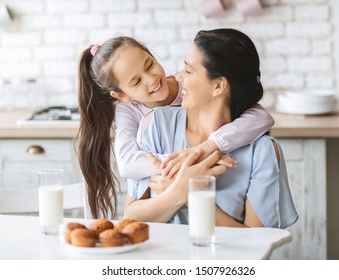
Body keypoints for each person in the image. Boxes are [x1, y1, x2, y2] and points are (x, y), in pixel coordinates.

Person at [76, 35, 274, 219]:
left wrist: (206, 148)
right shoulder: (135, 114)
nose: (151, 79)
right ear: (123, 96)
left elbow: (261, 117)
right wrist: (182, 168)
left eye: (150, 65)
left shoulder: (187, 86)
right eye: (136, 81)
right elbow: (128, 163)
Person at [124, 29, 298, 228]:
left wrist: (190, 195)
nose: (178, 78)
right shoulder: (157, 125)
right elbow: (129, 219)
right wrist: (177, 192)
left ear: (218, 86)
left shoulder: (261, 151)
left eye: (188, 71)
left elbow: (258, 239)